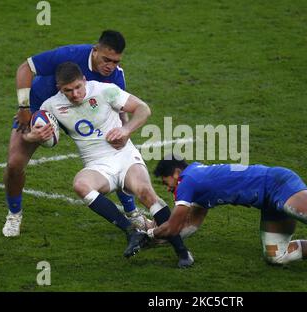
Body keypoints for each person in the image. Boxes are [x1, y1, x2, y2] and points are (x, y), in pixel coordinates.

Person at [23, 62, 193, 268]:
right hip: (97, 165)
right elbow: (36, 135)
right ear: (60, 89)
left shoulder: (105, 91)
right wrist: (34, 136)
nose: (75, 94)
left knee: (147, 193)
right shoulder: (51, 106)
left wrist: (126, 129)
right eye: (68, 90)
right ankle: (131, 232)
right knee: (81, 185)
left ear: (84, 80)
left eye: (78, 87)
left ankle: (182, 252)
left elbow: (143, 109)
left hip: (124, 156)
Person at [146, 155, 307, 266]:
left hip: (276, 183)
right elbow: (190, 227)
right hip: (269, 200)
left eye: (165, 182)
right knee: (276, 256)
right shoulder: (197, 182)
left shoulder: (187, 183)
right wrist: (157, 236)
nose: (168, 188)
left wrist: (148, 234)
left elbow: (176, 226)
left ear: (176, 173)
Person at [3, 30, 140, 237]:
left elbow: (120, 111)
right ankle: (14, 215)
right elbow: (25, 68)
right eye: (106, 59)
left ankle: (132, 212)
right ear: (95, 50)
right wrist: (24, 109)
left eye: (115, 61)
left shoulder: (116, 77)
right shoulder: (69, 55)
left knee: (117, 152)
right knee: (14, 163)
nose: (109, 66)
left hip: (82, 117)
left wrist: (124, 132)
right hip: (40, 110)